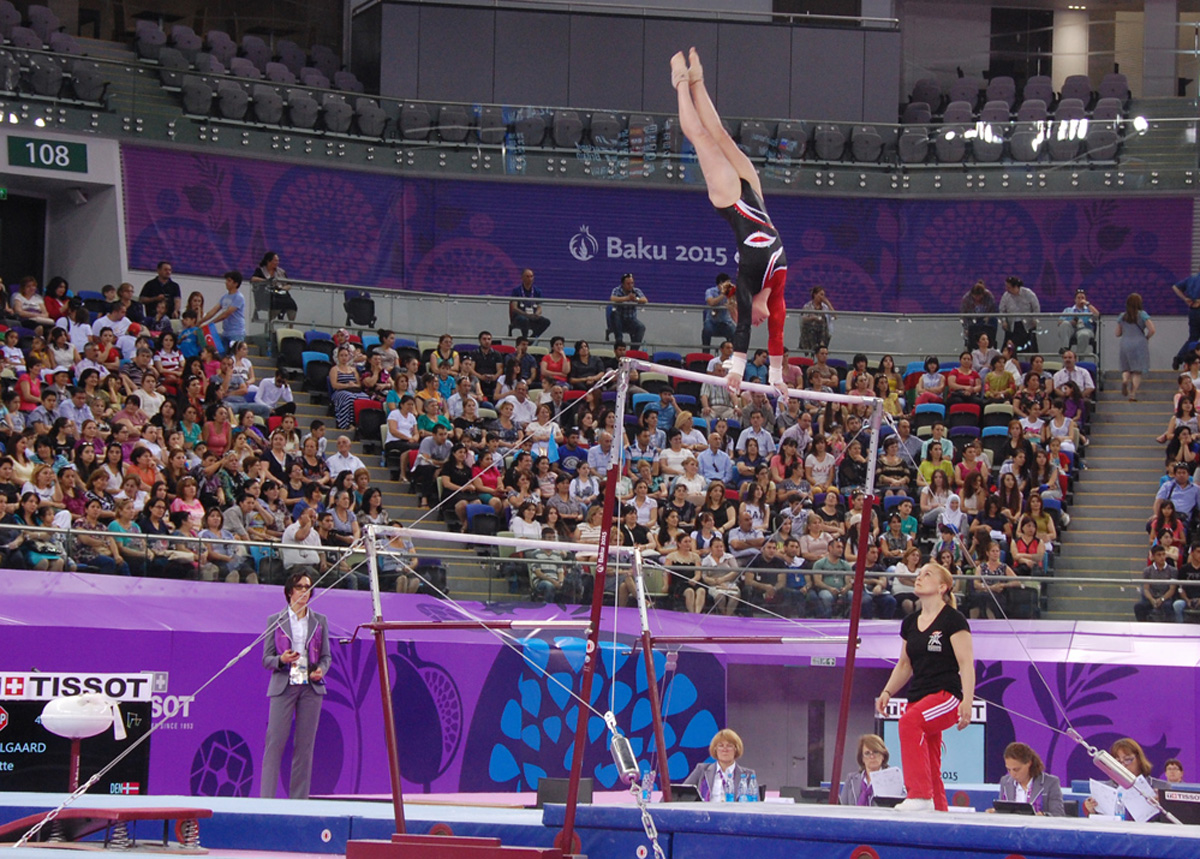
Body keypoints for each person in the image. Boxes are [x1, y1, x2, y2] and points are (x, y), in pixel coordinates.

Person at [875, 562, 974, 812]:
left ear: (943, 587)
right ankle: (939, 815)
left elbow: (966, 663)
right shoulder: (910, 622)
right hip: (918, 696)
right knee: (930, 760)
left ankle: (919, 795)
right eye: (918, 575)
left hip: (946, 696)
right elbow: (904, 665)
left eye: (926, 575)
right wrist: (887, 691)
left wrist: (967, 702)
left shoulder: (954, 620)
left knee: (909, 722)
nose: (919, 578)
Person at [260, 571, 331, 800]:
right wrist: (282, 660)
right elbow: (266, 659)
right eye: (299, 587)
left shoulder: (319, 620)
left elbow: (326, 657)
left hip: (310, 685)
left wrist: (322, 670)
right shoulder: (275, 620)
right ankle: (266, 801)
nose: (304, 591)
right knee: (275, 742)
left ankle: (299, 801)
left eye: (307, 587)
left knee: (305, 747)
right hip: (285, 681)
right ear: (290, 591)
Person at [993, 742, 1065, 816]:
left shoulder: (1050, 782)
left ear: (1028, 763)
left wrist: (1044, 815)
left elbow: (1058, 815)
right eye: (1008, 769)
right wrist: (996, 812)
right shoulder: (1005, 782)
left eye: (1016, 769)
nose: (1012, 774)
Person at [682, 728, 754, 802]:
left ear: (736, 749)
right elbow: (682, 794)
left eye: (729, 746)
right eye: (721, 746)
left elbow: (756, 804)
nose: (725, 749)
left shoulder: (748, 775)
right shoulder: (701, 770)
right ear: (715, 749)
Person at [839, 734, 900, 806]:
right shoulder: (851, 779)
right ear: (862, 758)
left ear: (883, 755)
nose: (872, 756)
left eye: (876, 752)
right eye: (867, 753)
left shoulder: (893, 778)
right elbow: (842, 807)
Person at [1116, 292, 1154, 402]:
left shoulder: (1122, 316)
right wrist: (1146, 337)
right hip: (1139, 343)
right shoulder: (1142, 315)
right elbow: (1152, 329)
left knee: (1126, 368)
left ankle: (1124, 380)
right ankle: (1132, 394)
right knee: (1137, 371)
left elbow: (1117, 333)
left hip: (1125, 343)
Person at [198, 270, 246, 345]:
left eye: (229, 281)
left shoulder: (239, 297)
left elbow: (226, 314)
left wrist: (209, 324)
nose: (226, 282)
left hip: (236, 332)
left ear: (236, 284)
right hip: (226, 332)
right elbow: (213, 311)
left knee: (233, 354)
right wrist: (200, 322)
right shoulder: (224, 297)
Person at [1135, 543, 1177, 622]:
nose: (1162, 557)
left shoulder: (1173, 570)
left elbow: (1172, 589)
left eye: (1163, 554)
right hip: (1151, 598)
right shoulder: (1147, 571)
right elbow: (1146, 589)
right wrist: (1152, 599)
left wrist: (1162, 599)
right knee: (1139, 606)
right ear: (1153, 557)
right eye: (1159, 555)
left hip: (1166, 598)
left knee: (1168, 606)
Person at [999, 276, 1040, 352]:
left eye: (1009, 287)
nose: (1007, 289)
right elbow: (1002, 310)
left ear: (1015, 287)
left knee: (1031, 346)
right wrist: (1003, 321)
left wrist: (1035, 319)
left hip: (1027, 324)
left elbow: (1036, 308)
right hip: (1012, 325)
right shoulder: (1006, 296)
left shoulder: (1028, 294)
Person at [252, 251, 296, 322]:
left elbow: (289, 284)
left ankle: (290, 327)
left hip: (280, 292)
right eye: (275, 260)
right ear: (268, 261)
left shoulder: (281, 271)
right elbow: (253, 279)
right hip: (266, 293)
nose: (277, 262)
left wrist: (283, 288)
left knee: (292, 305)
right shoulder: (260, 270)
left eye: (278, 260)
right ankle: (270, 325)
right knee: (277, 302)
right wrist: (267, 281)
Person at [509, 268, 551, 340]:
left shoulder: (537, 291)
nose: (530, 278)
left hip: (532, 316)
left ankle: (531, 339)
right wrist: (526, 315)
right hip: (519, 316)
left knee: (546, 321)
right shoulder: (516, 290)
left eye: (531, 276)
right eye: (527, 276)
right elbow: (514, 308)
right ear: (522, 278)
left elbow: (539, 307)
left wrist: (536, 314)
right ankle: (524, 339)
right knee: (524, 320)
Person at [608, 273, 647, 349]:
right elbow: (612, 299)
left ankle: (633, 351)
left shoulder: (636, 291)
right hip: (619, 320)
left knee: (641, 327)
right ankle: (619, 344)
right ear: (623, 284)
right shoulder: (617, 290)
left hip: (630, 320)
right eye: (628, 284)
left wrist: (636, 299)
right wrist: (627, 298)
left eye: (632, 283)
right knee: (614, 314)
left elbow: (645, 300)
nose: (631, 285)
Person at [959, 279, 998, 349]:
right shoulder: (966, 298)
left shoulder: (989, 296)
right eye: (975, 297)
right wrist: (966, 328)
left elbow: (993, 310)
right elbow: (963, 315)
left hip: (985, 320)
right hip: (972, 322)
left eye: (979, 297)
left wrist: (988, 317)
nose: (977, 299)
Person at [703, 273, 737, 347]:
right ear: (721, 283)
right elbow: (711, 302)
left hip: (726, 322)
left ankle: (732, 353)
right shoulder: (710, 291)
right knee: (706, 330)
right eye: (728, 283)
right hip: (712, 322)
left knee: (734, 331)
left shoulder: (731, 291)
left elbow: (734, 304)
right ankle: (705, 354)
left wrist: (731, 304)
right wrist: (723, 294)